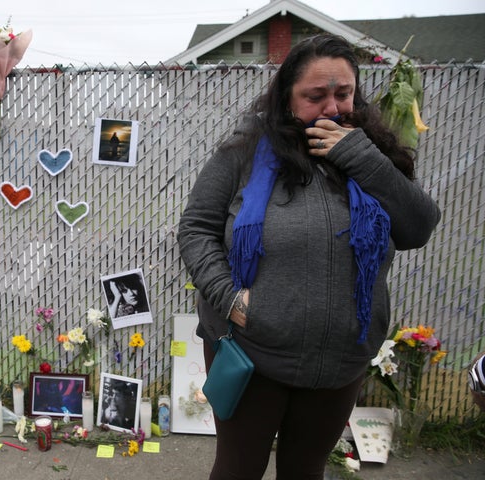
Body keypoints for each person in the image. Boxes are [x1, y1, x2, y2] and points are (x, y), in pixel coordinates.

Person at [177, 34, 441, 479]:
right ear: (286, 98)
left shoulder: (371, 154)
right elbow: (196, 227)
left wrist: (360, 156)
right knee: (238, 469)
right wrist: (230, 299)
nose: (333, 109)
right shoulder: (246, 149)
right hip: (251, 352)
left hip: (341, 358)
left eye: (344, 94)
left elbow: (418, 228)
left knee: (306, 469)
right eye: (315, 97)